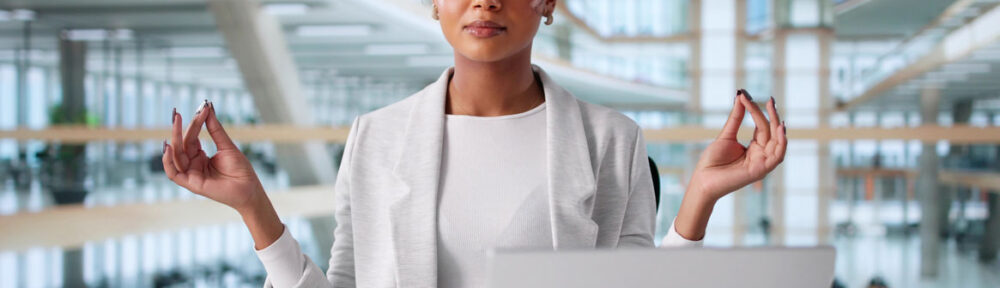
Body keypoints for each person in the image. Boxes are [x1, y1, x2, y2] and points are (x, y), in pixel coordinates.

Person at [161, 0, 787, 287]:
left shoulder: (610, 140)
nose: (483, 1)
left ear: (547, 4)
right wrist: (255, 211)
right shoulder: (375, 138)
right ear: (434, 4)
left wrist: (699, 198)